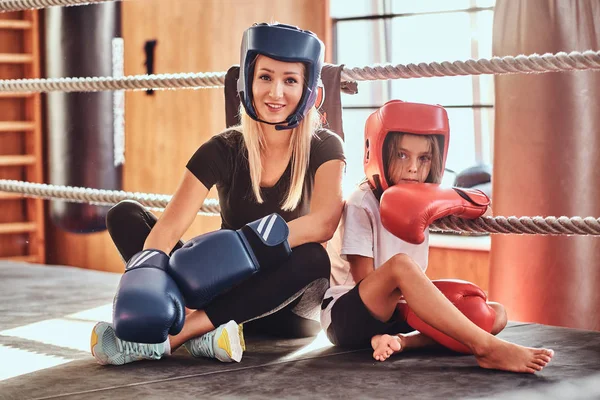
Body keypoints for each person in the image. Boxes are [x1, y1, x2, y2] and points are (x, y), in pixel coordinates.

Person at [90, 22, 345, 366]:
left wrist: (244, 245)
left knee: (314, 257)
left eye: (290, 80)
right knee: (125, 215)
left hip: (288, 307)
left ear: (308, 90)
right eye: (266, 77)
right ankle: (207, 333)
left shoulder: (325, 145)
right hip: (226, 289)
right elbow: (169, 227)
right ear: (248, 82)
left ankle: (177, 336)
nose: (276, 93)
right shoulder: (223, 148)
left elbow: (325, 222)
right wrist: (145, 280)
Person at [320, 100, 554, 373]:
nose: (413, 169)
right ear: (379, 153)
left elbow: (486, 212)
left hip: (394, 316)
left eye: (424, 158)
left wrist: (459, 201)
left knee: (494, 314)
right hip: (348, 315)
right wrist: (421, 310)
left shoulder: (422, 198)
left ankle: (401, 343)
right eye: (402, 155)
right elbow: (364, 279)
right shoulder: (362, 201)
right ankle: (486, 348)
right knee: (401, 265)